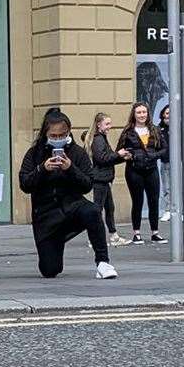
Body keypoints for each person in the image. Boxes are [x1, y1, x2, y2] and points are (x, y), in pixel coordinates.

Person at [19, 109, 116, 279]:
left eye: (62, 135)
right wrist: (42, 169)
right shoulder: (35, 153)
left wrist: (70, 168)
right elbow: (25, 184)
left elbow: (87, 184)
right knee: (50, 270)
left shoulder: (77, 152)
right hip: (46, 217)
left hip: (72, 207)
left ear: (69, 132)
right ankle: (56, 241)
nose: (58, 139)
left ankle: (103, 262)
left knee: (92, 211)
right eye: (53, 136)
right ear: (45, 134)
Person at [116, 102, 166, 244]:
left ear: (148, 114)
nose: (142, 115)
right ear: (134, 114)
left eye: (144, 112)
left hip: (151, 169)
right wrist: (129, 155)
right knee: (137, 201)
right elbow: (119, 151)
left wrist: (154, 155)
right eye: (139, 112)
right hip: (134, 170)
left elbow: (164, 148)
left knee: (153, 201)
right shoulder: (128, 132)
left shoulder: (155, 130)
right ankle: (136, 233)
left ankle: (155, 232)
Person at [83, 112, 129, 246]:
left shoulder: (100, 138)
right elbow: (102, 159)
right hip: (100, 179)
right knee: (98, 209)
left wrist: (121, 157)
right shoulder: (98, 139)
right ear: (99, 125)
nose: (110, 126)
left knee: (109, 208)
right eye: (107, 123)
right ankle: (95, 237)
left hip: (104, 178)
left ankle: (113, 235)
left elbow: (107, 159)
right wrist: (118, 154)